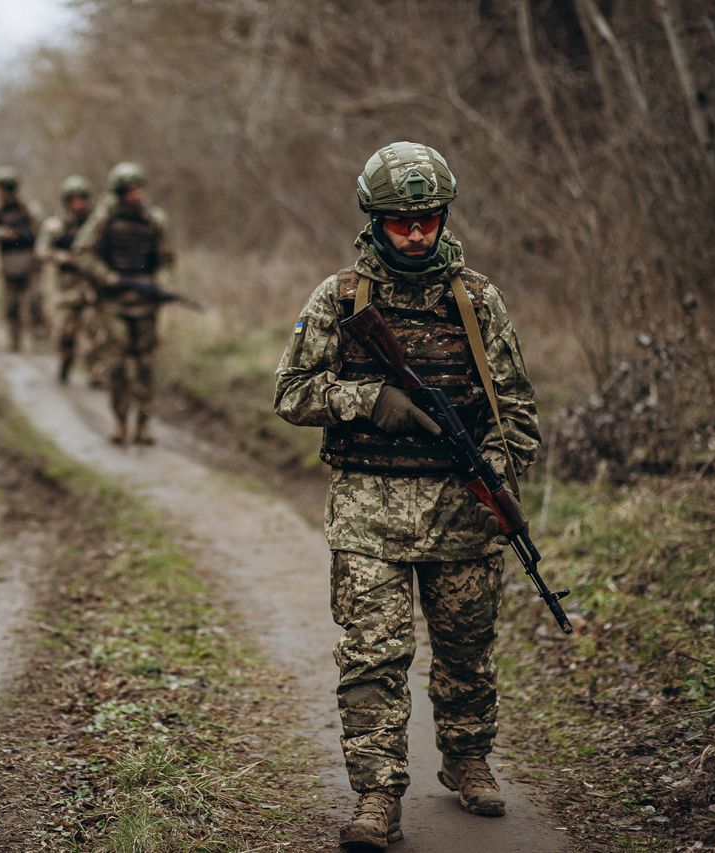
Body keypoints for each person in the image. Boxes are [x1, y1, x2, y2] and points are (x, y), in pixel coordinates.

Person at [272, 141, 540, 851]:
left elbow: (516, 408)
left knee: (466, 649)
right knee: (371, 657)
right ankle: (378, 793)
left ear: (444, 215)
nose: (417, 232)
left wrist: (497, 473)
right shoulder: (341, 298)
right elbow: (291, 393)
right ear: (375, 219)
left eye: (427, 218)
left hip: (462, 510)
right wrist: (367, 400)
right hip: (369, 509)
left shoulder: (477, 299)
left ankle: (467, 755)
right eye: (401, 221)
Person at [73, 162, 174, 445]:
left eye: (139, 189)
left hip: (146, 302)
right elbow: (82, 253)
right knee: (116, 365)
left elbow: (166, 259)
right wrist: (109, 278)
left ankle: (143, 424)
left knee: (145, 365)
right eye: (131, 190)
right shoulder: (103, 219)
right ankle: (119, 421)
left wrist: (159, 283)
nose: (137, 195)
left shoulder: (154, 220)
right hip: (114, 302)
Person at [35, 174, 102, 384]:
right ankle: (65, 363)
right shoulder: (57, 225)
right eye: (73, 199)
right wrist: (65, 258)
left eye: (81, 199)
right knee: (65, 333)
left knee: (95, 334)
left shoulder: (96, 224)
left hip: (91, 287)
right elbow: (42, 250)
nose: (78, 204)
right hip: (67, 288)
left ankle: (96, 372)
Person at [0, 166, 44, 351]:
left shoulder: (27, 207)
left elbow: (38, 228)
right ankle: (14, 340)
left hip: (29, 260)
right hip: (8, 262)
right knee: (11, 304)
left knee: (34, 301)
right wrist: (8, 234)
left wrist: (25, 233)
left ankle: (37, 340)